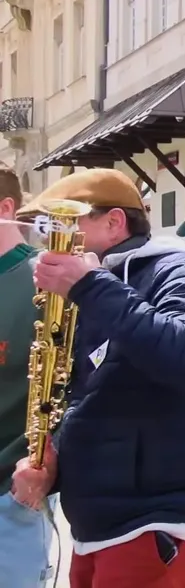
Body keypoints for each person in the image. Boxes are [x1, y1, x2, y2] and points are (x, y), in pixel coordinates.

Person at [11, 168, 185, 588]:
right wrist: (54, 460)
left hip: (156, 522)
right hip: (107, 522)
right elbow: (99, 399)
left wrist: (90, 286)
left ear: (114, 222)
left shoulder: (181, 271)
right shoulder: (104, 284)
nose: (51, 242)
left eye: (64, 224)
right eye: (47, 228)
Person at [0, 167, 55, 587]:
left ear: (6, 209)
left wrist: (39, 470)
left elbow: (72, 388)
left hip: (10, 503)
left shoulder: (48, 282)